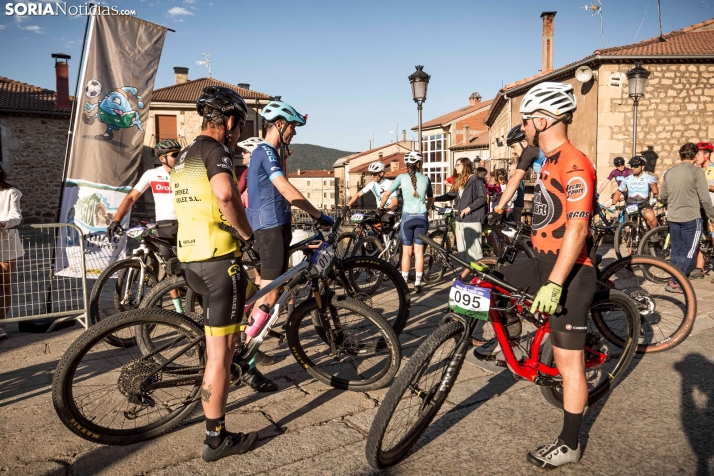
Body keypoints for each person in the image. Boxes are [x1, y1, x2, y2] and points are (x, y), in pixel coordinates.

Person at [485, 82, 597, 469]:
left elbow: (578, 231)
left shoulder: (575, 162)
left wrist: (554, 284)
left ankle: (570, 442)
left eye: (527, 120)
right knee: (486, 280)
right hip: (540, 259)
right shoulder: (546, 160)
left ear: (543, 119)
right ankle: (513, 336)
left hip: (571, 272)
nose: (524, 128)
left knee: (570, 366)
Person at [170, 86, 258, 462]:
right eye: (240, 125)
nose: (238, 134)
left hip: (191, 258)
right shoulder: (217, 150)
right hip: (219, 259)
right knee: (218, 356)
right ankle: (215, 438)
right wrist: (247, 234)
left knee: (222, 340)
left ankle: (240, 361)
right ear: (232, 122)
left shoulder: (184, 155)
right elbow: (225, 195)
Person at [245, 98, 333, 369]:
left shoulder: (270, 152)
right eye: (292, 127)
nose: (293, 133)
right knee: (270, 294)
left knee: (268, 291)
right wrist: (318, 214)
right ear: (279, 124)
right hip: (270, 227)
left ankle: (245, 346)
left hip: (275, 225)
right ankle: (246, 353)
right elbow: (284, 188)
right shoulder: (267, 151)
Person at [107, 140, 184, 310]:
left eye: (180, 153)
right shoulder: (152, 174)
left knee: (191, 266)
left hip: (187, 224)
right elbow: (131, 198)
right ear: (162, 158)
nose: (179, 157)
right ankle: (179, 311)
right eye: (175, 154)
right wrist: (116, 220)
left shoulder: (187, 172)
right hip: (164, 225)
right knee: (170, 268)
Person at [660, 142, 714, 293]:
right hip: (692, 217)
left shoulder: (670, 172)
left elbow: (662, 196)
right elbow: (705, 199)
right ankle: (675, 281)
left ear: (680, 155)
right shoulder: (697, 172)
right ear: (696, 155)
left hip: (673, 217)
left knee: (676, 250)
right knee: (688, 251)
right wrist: (713, 217)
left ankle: (675, 279)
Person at [378, 151, 433, 293]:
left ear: (408, 165)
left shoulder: (401, 177)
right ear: (419, 164)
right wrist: (425, 209)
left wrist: (381, 208)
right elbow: (431, 199)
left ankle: (403, 282)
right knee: (419, 252)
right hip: (422, 217)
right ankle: (418, 282)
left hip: (407, 217)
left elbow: (387, 194)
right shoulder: (426, 179)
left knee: (406, 252)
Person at [434, 157, 487, 280]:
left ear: (465, 166)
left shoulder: (475, 180)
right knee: (463, 250)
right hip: (460, 219)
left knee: (474, 251)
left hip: (472, 219)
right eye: (456, 165)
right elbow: (451, 194)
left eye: (458, 165)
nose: (456, 167)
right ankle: (468, 276)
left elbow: (482, 198)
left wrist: (469, 208)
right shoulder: (459, 180)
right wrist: (436, 199)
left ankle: (479, 277)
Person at [492, 125, 546, 218]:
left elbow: (514, 181)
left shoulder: (529, 151)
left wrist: (498, 209)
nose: (513, 152)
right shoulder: (537, 150)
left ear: (524, 142)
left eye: (513, 147)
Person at [0, 165, 23, 340]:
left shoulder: (11, 192)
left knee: (5, 283)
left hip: (6, 243)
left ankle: (0, 322)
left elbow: (16, 216)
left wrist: (1, 224)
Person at [611, 156, 659, 231]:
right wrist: (613, 204)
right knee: (628, 231)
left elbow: (653, 186)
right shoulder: (627, 179)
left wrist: (655, 196)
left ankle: (654, 235)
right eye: (631, 166)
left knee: (650, 216)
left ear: (642, 167)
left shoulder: (649, 178)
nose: (632, 168)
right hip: (631, 205)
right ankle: (631, 241)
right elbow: (618, 192)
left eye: (635, 166)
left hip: (644, 205)